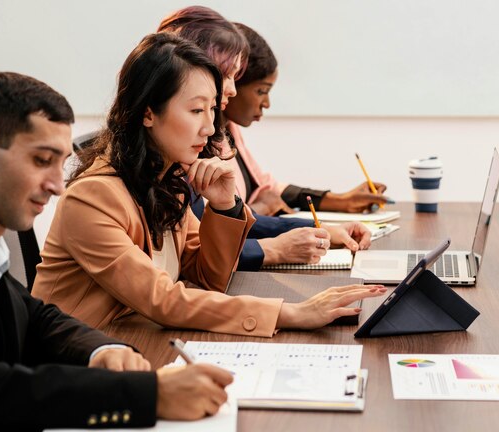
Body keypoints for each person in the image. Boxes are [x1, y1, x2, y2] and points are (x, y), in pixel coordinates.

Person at [0, 71, 234, 430]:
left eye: (60, 163)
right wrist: (146, 394)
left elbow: (35, 317)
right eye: (41, 160)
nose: (57, 186)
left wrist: (102, 350)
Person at [32, 33, 386, 338]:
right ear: (148, 113)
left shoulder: (164, 181)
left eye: (212, 111)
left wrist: (224, 207)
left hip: (136, 341)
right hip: (81, 360)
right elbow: (162, 298)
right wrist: (291, 313)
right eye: (196, 111)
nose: (209, 127)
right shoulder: (94, 197)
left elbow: (208, 277)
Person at [159, 6, 377, 271]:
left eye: (235, 77)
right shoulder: (165, 161)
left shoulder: (204, 140)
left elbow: (215, 237)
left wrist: (319, 228)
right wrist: (274, 250)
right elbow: (191, 260)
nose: (231, 90)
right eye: (226, 76)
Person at [223, 22, 391, 216]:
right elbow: (217, 223)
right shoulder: (202, 143)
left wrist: (342, 201)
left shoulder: (229, 129)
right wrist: (260, 209)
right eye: (261, 91)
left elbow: (267, 187)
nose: (266, 103)